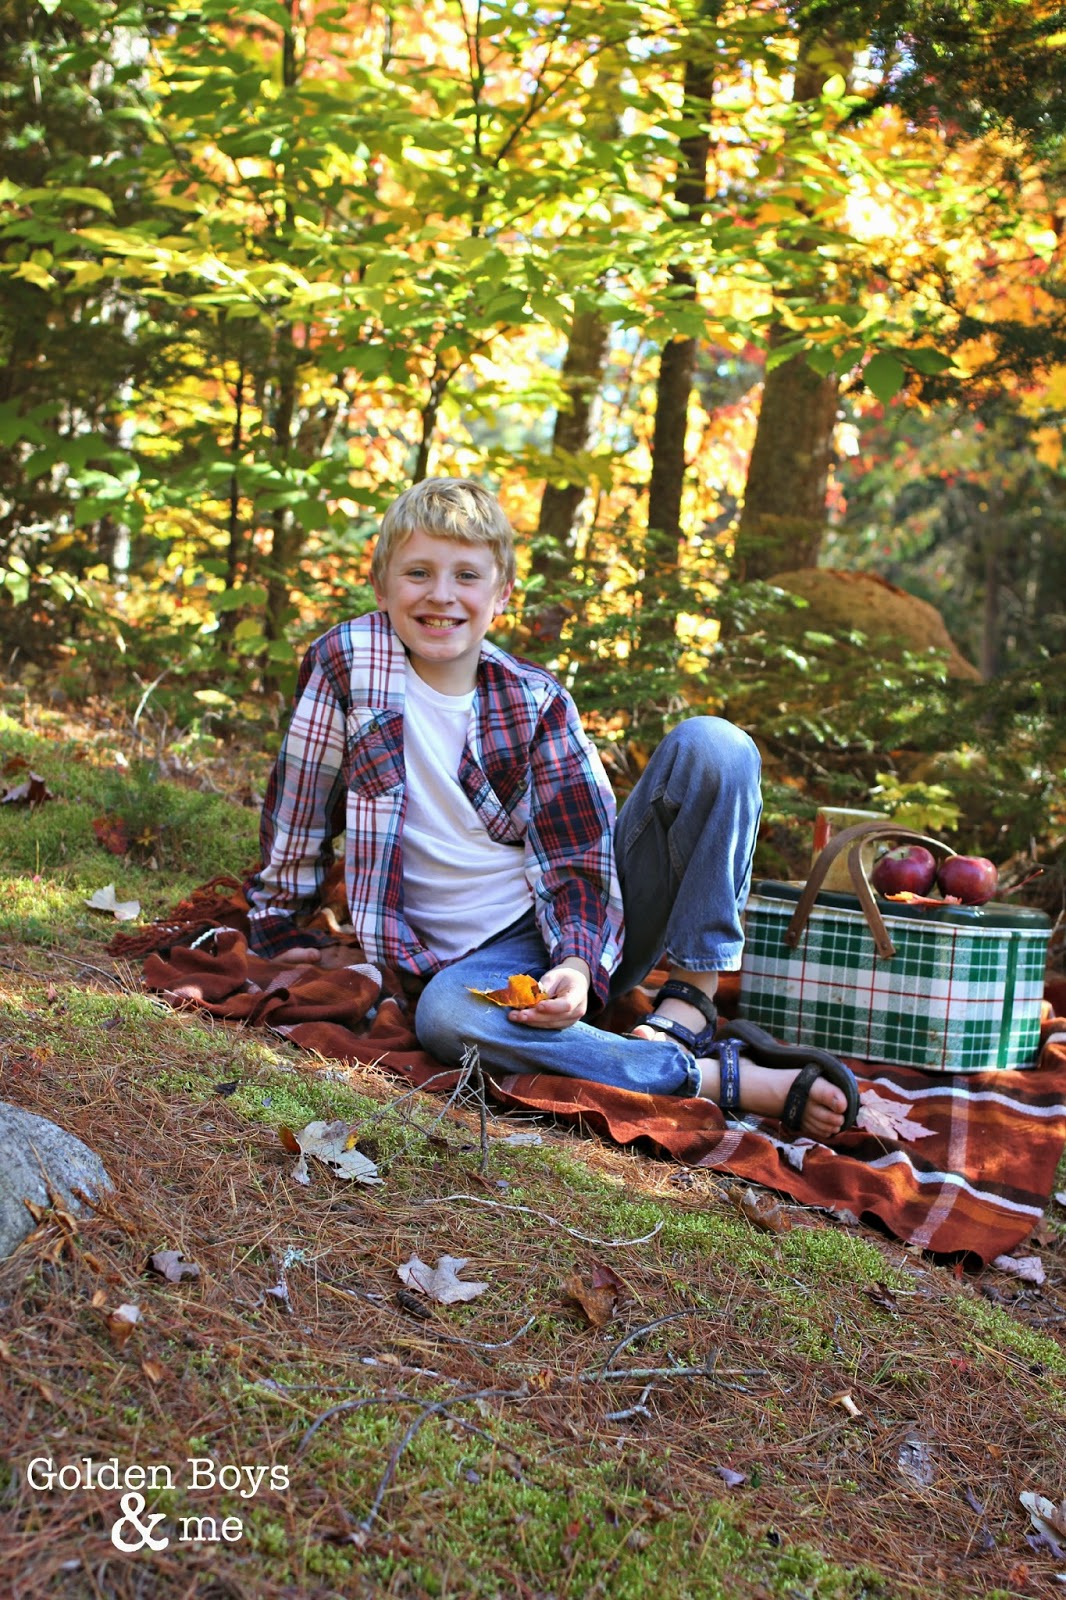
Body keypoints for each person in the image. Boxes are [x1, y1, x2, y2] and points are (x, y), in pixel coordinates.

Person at [246, 477, 858, 1141]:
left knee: (717, 747)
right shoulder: (347, 664)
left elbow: (579, 855)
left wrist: (574, 964)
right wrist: (277, 919)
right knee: (446, 1020)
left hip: (582, 923)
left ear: (502, 593)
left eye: (466, 576)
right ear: (381, 585)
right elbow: (303, 799)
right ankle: (710, 1077)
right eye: (418, 572)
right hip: (473, 969)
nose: (441, 594)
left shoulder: (533, 702)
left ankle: (691, 1003)